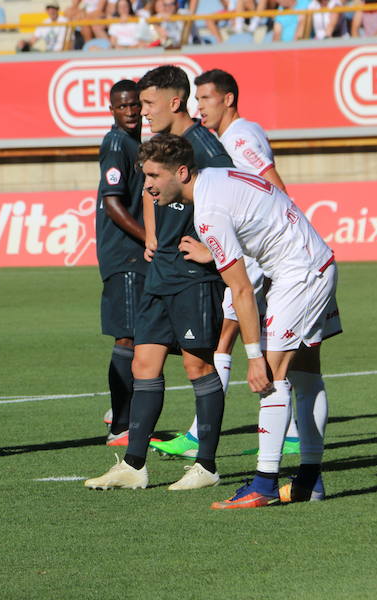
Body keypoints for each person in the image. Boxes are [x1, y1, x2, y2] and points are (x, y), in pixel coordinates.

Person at [137, 133, 341, 509]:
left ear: (181, 172)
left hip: (299, 272)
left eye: (153, 175)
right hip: (313, 261)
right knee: (307, 376)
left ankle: (263, 484)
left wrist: (253, 355)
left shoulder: (208, 212)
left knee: (270, 379)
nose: (147, 185)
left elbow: (242, 290)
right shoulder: (216, 178)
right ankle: (310, 482)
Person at [84, 65, 232, 492]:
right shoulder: (158, 145)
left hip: (193, 275)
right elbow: (151, 190)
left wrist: (211, 248)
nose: (142, 111)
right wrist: (150, 233)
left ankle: (206, 465)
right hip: (159, 270)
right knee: (145, 362)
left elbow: (235, 196)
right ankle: (134, 466)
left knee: (196, 363)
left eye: (148, 103)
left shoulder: (205, 145)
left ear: (173, 102)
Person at [152, 68, 298, 459]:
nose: (199, 108)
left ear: (228, 99)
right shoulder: (226, 136)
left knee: (230, 337)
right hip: (253, 246)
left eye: (206, 99)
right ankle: (290, 430)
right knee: (248, 339)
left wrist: (267, 239)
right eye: (196, 99)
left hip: (256, 250)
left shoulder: (240, 137)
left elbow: (274, 185)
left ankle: (203, 435)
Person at [92, 80, 150, 449]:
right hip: (125, 253)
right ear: (112, 109)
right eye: (122, 106)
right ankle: (120, 424)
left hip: (135, 253)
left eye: (134, 105)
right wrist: (150, 238)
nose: (129, 112)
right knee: (128, 335)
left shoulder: (136, 145)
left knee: (141, 334)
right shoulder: (116, 144)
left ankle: (122, 414)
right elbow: (114, 203)